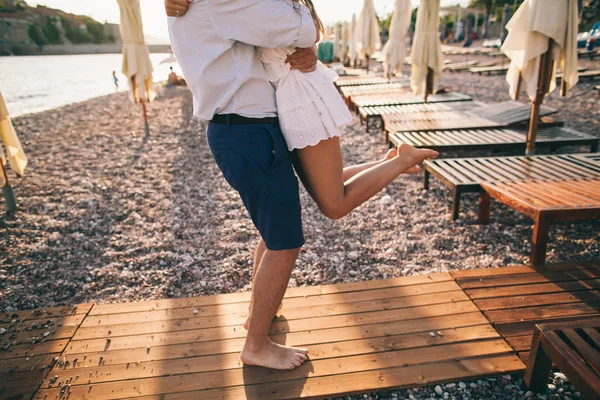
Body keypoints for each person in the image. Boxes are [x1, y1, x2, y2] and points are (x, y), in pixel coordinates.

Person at [165, 0, 437, 370]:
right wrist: (304, 39)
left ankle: (257, 319)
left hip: (253, 125)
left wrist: (304, 49)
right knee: (284, 242)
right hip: (245, 128)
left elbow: (287, 35)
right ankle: (256, 345)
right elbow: (301, 29)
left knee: (275, 231)